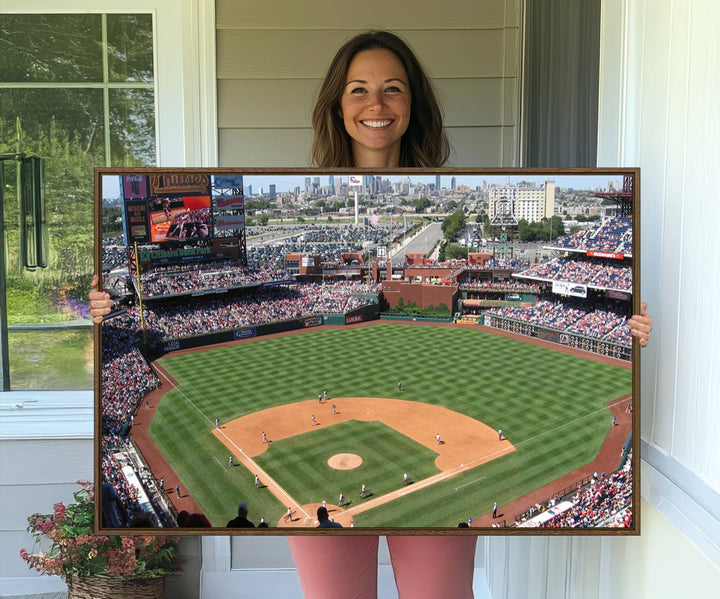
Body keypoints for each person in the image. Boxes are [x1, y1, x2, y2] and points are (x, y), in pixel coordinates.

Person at [88, 29, 654, 599]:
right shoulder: (294, 179)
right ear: (337, 104)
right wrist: (98, 312)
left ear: (414, 104)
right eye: (358, 89)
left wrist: (633, 325)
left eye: (393, 89)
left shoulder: (477, 175)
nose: (376, 105)